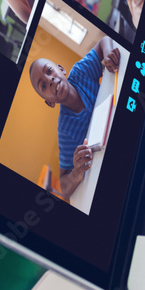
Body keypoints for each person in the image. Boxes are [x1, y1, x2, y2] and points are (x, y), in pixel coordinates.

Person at [29, 36, 120, 201]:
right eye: (43, 86)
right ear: (49, 102)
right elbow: (60, 187)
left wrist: (107, 54)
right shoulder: (65, 129)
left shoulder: (80, 73)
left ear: (61, 69)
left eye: (49, 71)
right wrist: (76, 173)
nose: (50, 80)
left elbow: (103, 41)